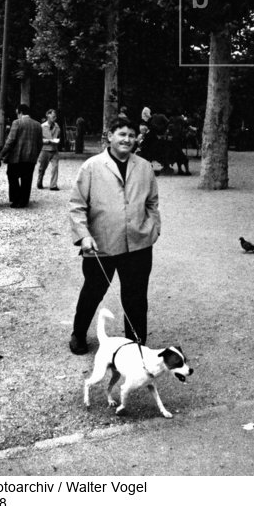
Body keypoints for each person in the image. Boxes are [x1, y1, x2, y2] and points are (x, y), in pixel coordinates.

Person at [67, 116, 161, 355]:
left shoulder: (144, 166)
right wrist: (83, 235)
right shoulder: (92, 166)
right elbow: (77, 205)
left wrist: (153, 228)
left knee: (136, 296)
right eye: (122, 134)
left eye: (131, 135)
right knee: (93, 291)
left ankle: (136, 342)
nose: (127, 139)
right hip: (101, 244)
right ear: (110, 136)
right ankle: (78, 333)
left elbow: (152, 202)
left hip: (138, 244)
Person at [0, 104, 43, 208]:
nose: (17, 114)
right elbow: (40, 143)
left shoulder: (17, 122)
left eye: (17, 112)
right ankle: (24, 201)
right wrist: (35, 154)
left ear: (20, 112)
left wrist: (2, 153)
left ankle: (15, 199)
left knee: (12, 177)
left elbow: (11, 140)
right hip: (31, 157)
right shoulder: (37, 124)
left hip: (16, 157)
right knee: (27, 179)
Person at [37, 108, 61, 191]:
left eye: (55, 115)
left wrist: (57, 141)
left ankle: (53, 185)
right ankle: (39, 182)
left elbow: (58, 137)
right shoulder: (42, 126)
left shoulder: (57, 126)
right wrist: (48, 141)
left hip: (54, 150)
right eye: (53, 115)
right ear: (48, 115)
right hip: (44, 149)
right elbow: (38, 140)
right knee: (42, 168)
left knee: (55, 167)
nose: (55, 117)